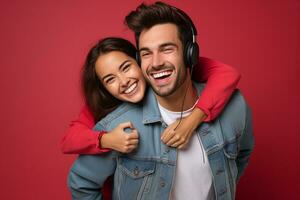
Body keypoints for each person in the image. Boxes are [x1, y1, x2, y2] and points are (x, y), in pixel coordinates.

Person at [68, 2, 254, 200]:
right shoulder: (118, 127)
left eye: (167, 49)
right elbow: (81, 183)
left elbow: (241, 156)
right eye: (147, 53)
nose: (156, 63)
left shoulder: (234, 106)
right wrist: (104, 139)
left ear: (190, 53)